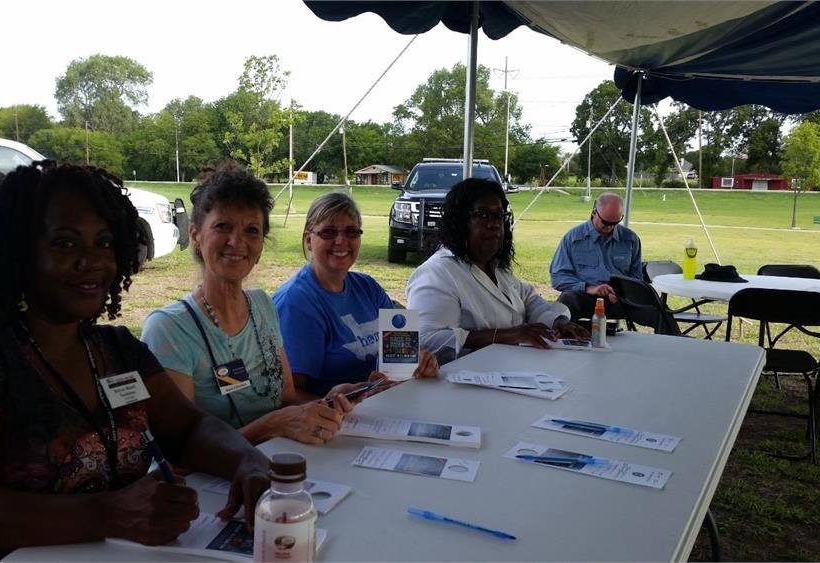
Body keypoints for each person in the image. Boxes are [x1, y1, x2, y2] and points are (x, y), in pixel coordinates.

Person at [0, 162, 270, 562]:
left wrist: (248, 462)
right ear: (17, 251)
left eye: (104, 243)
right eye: (65, 244)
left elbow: (188, 428)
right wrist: (109, 514)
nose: (92, 261)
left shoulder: (115, 350)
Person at [141, 162, 363, 446]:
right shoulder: (169, 329)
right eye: (223, 226)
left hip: (276, 463)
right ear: (196, 236)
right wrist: (271, 426)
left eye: (252, 230)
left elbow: (287, 397)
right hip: (216, 483)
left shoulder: (261, 305)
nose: (237, 241)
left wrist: (329, 400)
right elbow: (177, 452)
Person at [272, 192, 439, 398]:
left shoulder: (367, 287)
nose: (341, 241)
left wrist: (419, 361)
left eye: (351, 232)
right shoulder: (296, 303)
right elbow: (289, 396)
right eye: (328, 233)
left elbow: (402, 353)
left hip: (387, 404)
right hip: (339, 421)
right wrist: (333, 402)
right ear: (308, 240)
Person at [406, 178, 588, 361]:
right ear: (459, 222)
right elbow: (426, 339)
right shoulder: (437, 273)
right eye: (483, 215)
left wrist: (559, 322)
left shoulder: (495, 268)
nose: (493, 224)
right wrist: (506, 335)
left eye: (499, 216)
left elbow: (530, 300)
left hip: (510, 370)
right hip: (461, 380)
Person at [549, 192, 644, 320]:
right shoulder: (573, 238)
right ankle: (561, 338)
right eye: (605, 222)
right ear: (594, 212)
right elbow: (558, 277)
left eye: (615, 222)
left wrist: (624, 293)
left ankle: (676, 338)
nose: (609, 227)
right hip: (585, 297)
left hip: (620, 300)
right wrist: (589, 288)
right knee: (566, 301)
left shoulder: (630, 239)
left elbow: (636, 278)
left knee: (659, 311)